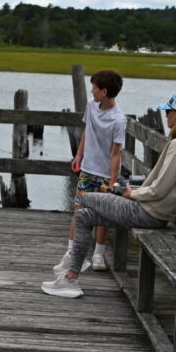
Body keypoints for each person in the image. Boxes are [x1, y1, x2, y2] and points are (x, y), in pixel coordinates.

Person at [42, 89, 176, 298]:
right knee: (84, 216)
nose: (166, 115)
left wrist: (132, 194)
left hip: (149, 213)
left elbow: (160, 188)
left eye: (169, 111)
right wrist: (135, 191)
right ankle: (71, 277)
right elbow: (164, 186)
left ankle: (73, 262)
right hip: (156, 211)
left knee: (85, 198)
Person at [53, 69, 125, 275]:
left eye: (94, 88)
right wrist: (79, 155)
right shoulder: (91, 107)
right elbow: (87, 131)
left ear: (104, 91)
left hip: (105, 173)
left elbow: (116, 152)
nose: (91, 91)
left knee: (102, 215)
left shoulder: (118, 120)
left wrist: (113, 181)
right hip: (87, 170)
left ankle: (98, 253)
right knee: (78, 211)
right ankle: (71, 253)